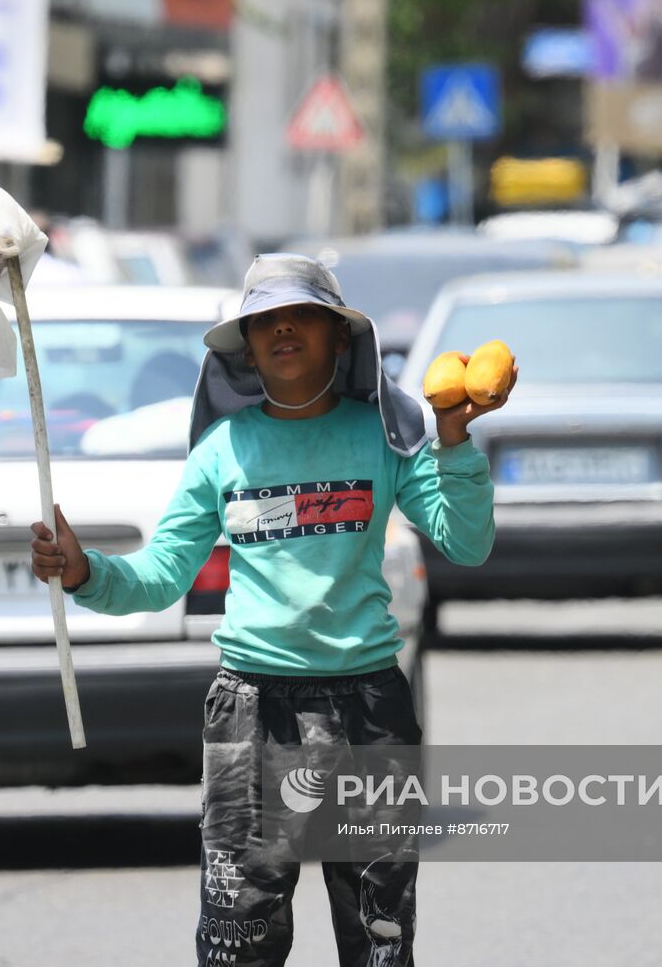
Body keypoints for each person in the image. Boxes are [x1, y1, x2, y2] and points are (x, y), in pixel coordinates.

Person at [30, 253, 517, 966]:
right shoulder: (222, 450)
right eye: (264, 321)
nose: (282, 329)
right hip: (251, 709)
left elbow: (465, 542)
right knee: (238, 936)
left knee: (379, 936)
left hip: (370, 708)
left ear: (340, 338)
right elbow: (162, 574)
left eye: (302, 316)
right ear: (248, 348)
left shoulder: (383, 435)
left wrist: (452, 443)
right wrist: (83, 570)